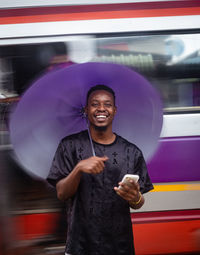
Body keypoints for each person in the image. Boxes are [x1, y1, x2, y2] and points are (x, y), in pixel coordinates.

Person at [47, 84, 154, 255]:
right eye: (95, 104)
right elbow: (61, 194)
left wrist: (135, 198)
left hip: (120, 246)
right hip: (80, 246)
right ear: (86, 110)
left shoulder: (132, 151)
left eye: (107, 104)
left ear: (115, 110)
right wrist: (79, 168)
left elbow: (138, 203)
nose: (101, 109)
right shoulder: (69, 145)